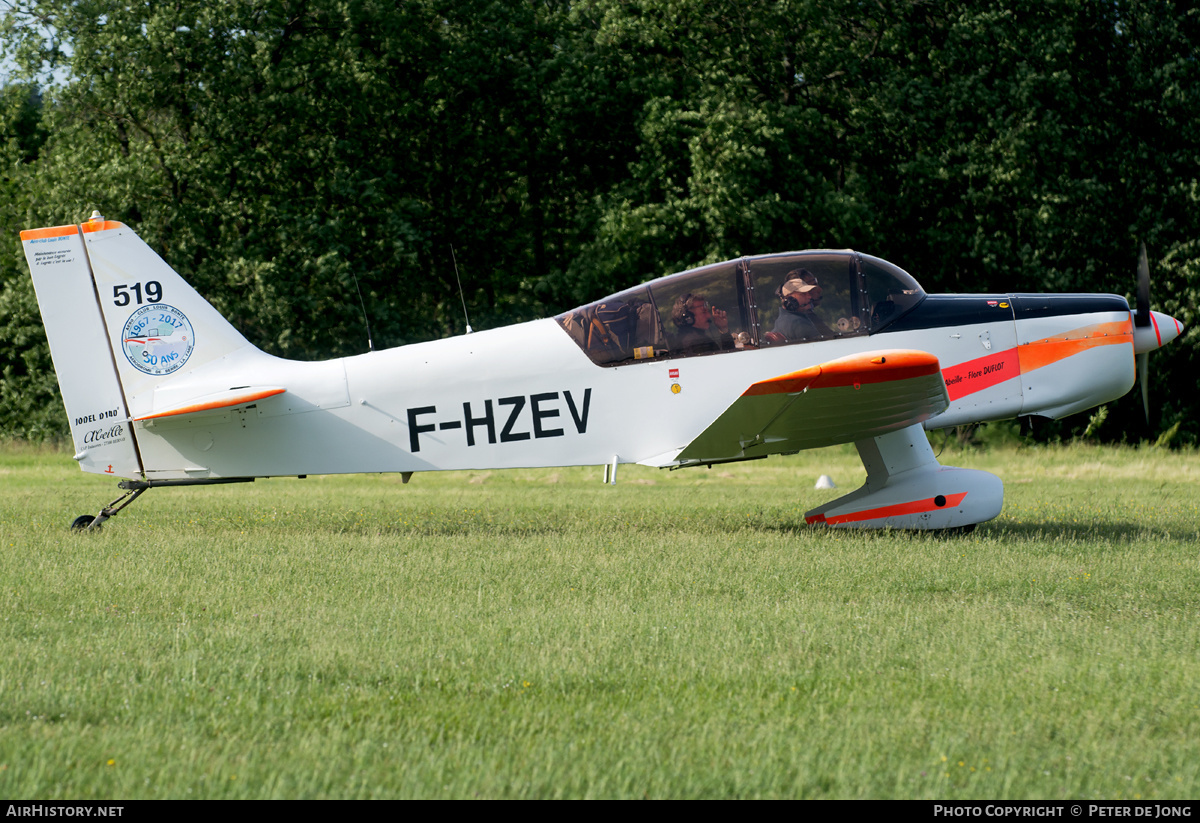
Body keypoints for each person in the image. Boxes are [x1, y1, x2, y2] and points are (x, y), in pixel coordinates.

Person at [772, 269, 832, 341]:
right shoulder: (799, 323)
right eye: (803, 293)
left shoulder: (781, 320)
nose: (809, 296)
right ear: (790, 300)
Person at [670, 293, 734, 354]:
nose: (709, 315)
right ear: (689, 318)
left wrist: (723, 329)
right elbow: (727, 360)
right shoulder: (697, 344)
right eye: (703, 312)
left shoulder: (689, 339)